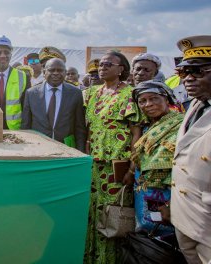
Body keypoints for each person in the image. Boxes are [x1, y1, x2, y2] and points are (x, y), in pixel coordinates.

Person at [84, 51, 142, 264]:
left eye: (109, 64)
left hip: (117, 166)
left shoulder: (130, 93)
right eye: (100, 64)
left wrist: (131, 168)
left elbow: (136, 133)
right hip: (94, 164)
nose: (102, 67)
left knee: (113, 215)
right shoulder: (91, 93)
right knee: (93, 213)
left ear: (121, 69)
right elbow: (89, 130)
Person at [171, 35, 211, 263]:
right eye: (184, 73)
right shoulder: (195, 105)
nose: (188, 79)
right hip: (185, 216)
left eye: (197, 72)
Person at [131, 81, 183, 238]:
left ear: (166, 99)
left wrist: (170, 204)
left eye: (154, 99)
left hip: (170, 193)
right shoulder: (145, 127)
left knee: (170, 235)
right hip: (145, 191)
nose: (148, 104)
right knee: (148, 231)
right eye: (142, 101)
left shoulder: (181, 124)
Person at [21, 58, 87, 152]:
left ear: (65, 73)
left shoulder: (75, 93)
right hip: (38, 148)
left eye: (60, 70)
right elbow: (25, 125)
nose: (56, 73)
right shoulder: (31, 93)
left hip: (67, 149)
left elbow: (79, 127)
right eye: (51, 70)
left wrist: (81, 152)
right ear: (44, 72)